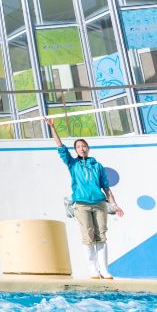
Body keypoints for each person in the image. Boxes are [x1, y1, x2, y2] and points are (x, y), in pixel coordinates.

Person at [48, 118, 124, 279]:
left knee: (101, 235)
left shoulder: (97, 166)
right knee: (88, 236)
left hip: (99, 204)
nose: (81, 148)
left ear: (88, 148)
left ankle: (104, 269)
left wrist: (114, 204)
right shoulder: (72, 164)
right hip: (81, 205)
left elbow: (106, 187)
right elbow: (61, 148)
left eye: (84, 146)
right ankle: (93, 269)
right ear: (75, 150)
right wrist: (53, 127)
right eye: (78, 147)